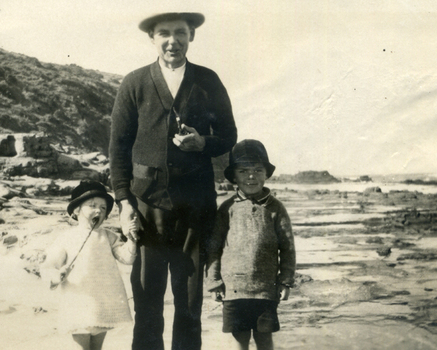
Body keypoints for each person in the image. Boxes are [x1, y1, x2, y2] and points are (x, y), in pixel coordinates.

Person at [108, 12, 238, 350]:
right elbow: (118, 148)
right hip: (146, 209)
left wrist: (203, 143)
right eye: (163, 33)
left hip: (196, 210)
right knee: (147, 305)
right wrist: (124, 203)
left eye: (180, 32)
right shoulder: (134, 82)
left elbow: (228, 136)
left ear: (191, 35)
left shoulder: (209, 81)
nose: (172, 41)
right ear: (151, 38)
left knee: (190, 306)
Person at [206, 139, 296, 350]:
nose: (251, 176)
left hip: (266, 290)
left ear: (266, 174)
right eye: (243, 171)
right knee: (240, 340)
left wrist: (286, 281)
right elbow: (214, 248)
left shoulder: (276, 208)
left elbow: (288, 247)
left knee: (265, 340)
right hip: (234, 290)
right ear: (234, 176)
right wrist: (214, 282)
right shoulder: (227, 208)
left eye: (258, 170)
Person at [40, 180, 138, 350]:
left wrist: (131, 238)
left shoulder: (109, 236)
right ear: (76, 211)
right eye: (92, 205)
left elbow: (127, 258)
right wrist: (57, 276)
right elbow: (49, 265)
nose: (98, 210)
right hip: (78, 300)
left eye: (103, 208)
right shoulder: (67, 237)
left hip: (102, 304)